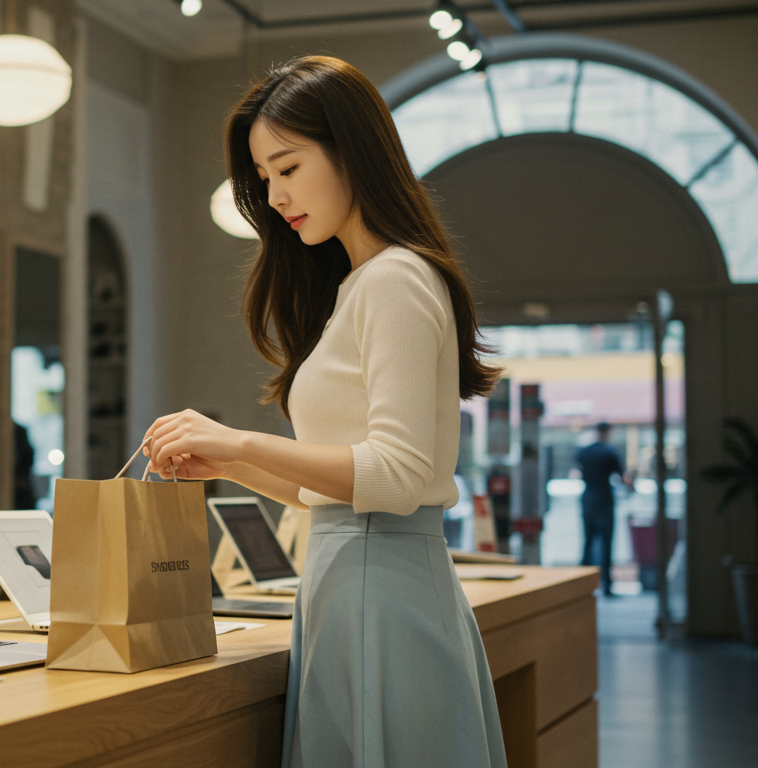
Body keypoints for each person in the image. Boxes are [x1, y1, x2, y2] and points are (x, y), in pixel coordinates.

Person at [143, 56, 506, 767]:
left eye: (288, 167)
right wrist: (233, 462)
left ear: (352, 150)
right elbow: (339, 492)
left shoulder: (396, 278)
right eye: (264, 178)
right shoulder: (363, 283)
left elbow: (398, 476)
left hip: (380, 596)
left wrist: (242, 440)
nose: (275, 195)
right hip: (354, 583)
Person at [576, 422, 633, 597]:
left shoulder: (583, 452)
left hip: (587, 499)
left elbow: (578, 472)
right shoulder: (610, 453)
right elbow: (623, 479)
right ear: (607, 432)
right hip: (604, 499)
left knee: (587, 542)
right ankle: (607, 587)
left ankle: (582, 586)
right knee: (607, 544)